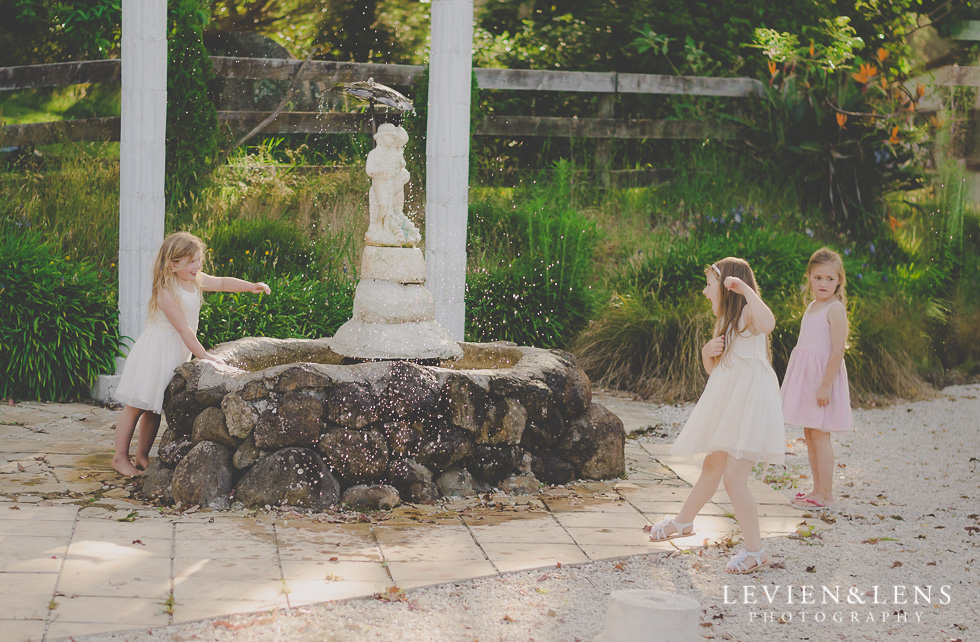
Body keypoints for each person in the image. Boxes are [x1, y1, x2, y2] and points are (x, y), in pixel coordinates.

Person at [647, 257, 785, 574]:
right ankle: (684, 522)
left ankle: (756, 551)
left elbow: (769, 323)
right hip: (733, 404)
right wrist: (706, 355)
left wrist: (748, 292)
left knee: (734, 479)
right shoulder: (726, 324)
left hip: (750, 406)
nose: (705, 290)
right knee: (713, 465)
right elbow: (717, 373)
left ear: (729, 287)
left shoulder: (750, 314)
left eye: (710, 284)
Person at [111, 232, 271, 477]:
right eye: (192, 261)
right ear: (173, 264)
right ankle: (119, 458)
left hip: (175, 351)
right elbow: (183, 329)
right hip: (156, 352)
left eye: (199, 261)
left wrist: (251, 287)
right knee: (136, 405)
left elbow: (222, 282)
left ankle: (142, 456)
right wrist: (204, 355)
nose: (198, 266)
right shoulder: (166, 289)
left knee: (154, 408)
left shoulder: (194, 279)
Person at [781, 247, 852, 509]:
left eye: (830, 279)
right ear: (809, 276)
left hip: (823, 380)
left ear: (839, 281)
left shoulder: (834, 309)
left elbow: (836, 351)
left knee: (821, 435)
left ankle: (827, 494)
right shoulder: (812, 306)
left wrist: (825, 385)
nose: (823, 284)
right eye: (818, 277)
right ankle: (816, 488)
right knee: (809, 434)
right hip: (808, 380)